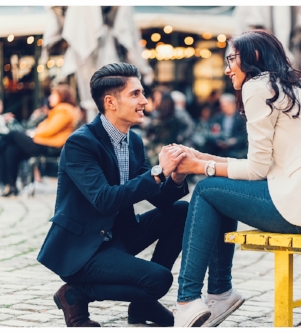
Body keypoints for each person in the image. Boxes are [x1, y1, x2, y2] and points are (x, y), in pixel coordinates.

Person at [168, 29, 301, 327]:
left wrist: (199, 169)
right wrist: (202, 158)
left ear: (254, 57)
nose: (226, 68)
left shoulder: (257, 87)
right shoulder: (289, 88)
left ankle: (188, 299)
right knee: (218, 191)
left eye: (231, 59)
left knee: (207, 190)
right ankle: (220, 291)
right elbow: (259, 164)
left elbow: (256, 171)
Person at [36, 63, 190, 327]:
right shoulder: (80, 143)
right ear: (111, 102)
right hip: (85, 248)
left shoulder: (134, 141)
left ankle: (142, 307)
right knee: (159, 280)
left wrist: (176, 176)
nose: (144, 100)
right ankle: (76, 293)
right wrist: (156, 172)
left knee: (182, 212)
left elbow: (160, 199)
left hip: (119, 235)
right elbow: (104, 199)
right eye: (135, 94)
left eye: (142, 93)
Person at [0, 84, 77, 196]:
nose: (50, 98)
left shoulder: (64, 110)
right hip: (43, 143)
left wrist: (33, 134)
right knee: (11, 149)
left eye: (53, 95)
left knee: (13, 135)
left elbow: (49, 130)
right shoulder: (58, 111)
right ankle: (11, 186)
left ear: (62, 96)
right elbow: (44, 128)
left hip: (49, 146)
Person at [144, 91, 188, 166]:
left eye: (158, 99)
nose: (156, 101)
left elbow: (155, 136)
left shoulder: (161, 120)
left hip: (161, 152)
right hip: (171, 150)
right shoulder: (174, 118)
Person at [206, 93, 248, 159]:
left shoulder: (241, 118)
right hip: (221, 149)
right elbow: (211, 130)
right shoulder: (218, 117)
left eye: (225, 106)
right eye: (222, 106)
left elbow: (245, 135)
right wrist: (218, 141)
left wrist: (234, 141)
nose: (223, 108)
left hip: (237, 150)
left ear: (233, 105)